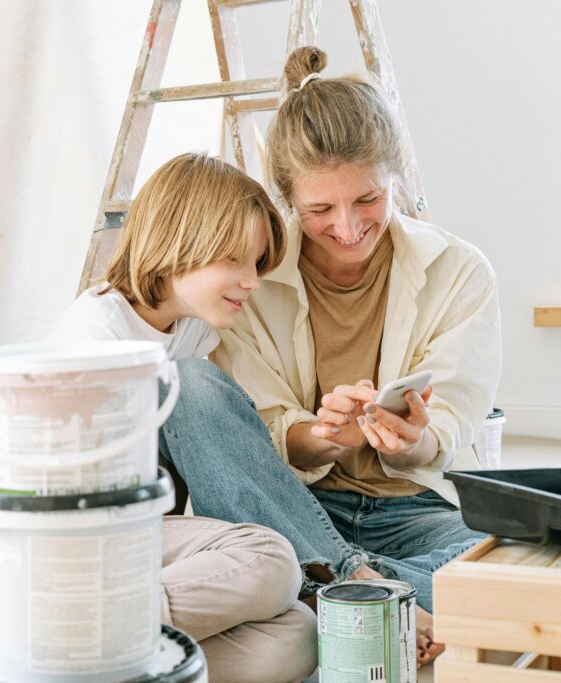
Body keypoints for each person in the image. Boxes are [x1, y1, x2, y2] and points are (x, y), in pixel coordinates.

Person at [157, 47, 500, 666]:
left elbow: (449, 432)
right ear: (288, 199)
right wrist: (322, 436)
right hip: (284, 507)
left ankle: (322, 593)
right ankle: (359, 587)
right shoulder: (248, 281)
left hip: (417, 511)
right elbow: (251, 435)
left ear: (393, 176)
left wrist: (411, 438)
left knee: (516, 565)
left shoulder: (460, 272)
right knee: (187, 384)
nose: (346, 227)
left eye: (367, 199)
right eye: (319, 210)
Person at [47, 152, 316, 683]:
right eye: (235, 261)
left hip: (141, 537)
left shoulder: (189, 329)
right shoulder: (98, 338)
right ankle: (61, 636)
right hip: (82, 543)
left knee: (298, 637)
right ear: (180, 244)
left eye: (257, 264)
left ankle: (75, 664)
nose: (252, 281)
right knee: (271, 558)